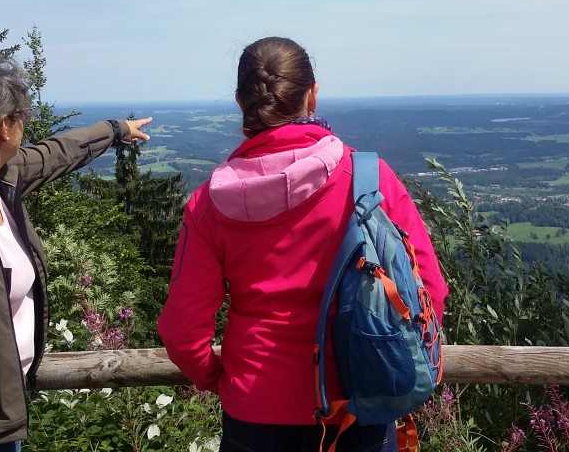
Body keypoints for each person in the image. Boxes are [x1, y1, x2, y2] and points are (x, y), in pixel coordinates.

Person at [158, 36, 448, 452]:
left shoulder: (207, 205)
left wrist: (218, 378)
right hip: (360, 401)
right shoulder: (370, 180)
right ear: (312, 94)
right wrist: (395, 364)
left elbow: (182, 331)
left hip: (254, 414)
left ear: (241, 102)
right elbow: (430, 292)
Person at [0, 57, 152, 451]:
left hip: (2, 412)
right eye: (21, 116)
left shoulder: (1, 183)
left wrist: (116, 130)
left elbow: (56, 153)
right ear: (3, 127)